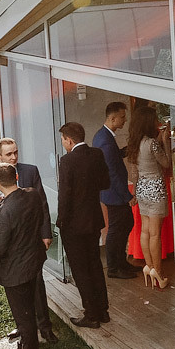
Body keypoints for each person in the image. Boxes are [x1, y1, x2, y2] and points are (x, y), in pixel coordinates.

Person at [0, 137, 56, 345]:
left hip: (31, 240)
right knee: (17, 289)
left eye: (15, 152)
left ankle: (45, 327)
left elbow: (42, 205)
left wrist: (45, 233)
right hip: (8, 240)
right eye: (8, 154)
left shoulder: (30, 171)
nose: (13, 157)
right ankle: (24, 327)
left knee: (37, 285)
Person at [0, 162, 50, 349]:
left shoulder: (5, 212)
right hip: (33, 262)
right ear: (16, 177)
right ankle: (24, 347)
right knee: (28, 312)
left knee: (24, 318)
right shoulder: (32, 194)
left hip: (15, 270)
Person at [54, 120, 111, 327]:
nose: (63, 143)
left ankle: (91, 314)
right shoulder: (97, 155)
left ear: (69, 140)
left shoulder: (68, 161)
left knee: (80, 269)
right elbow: (106, 183)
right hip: (93, 219)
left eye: (63, 139)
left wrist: (60, 221)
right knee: (95, 264)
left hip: (74, 224)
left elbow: (64, 196)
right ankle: (103, 310)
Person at [126, 102, 172, 289]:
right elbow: (166, 163)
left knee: (145, 231)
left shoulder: (134, 144)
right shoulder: (151, 143)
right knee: (155, 235)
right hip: (155, 189)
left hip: (142, 189)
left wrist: (136, 192)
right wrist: (165, 142)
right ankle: (158, 273)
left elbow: (134, 172)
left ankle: (149, 266)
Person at [92, 101, 135, 278]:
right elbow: (113, 173)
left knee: (125, 225)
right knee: (117, 229)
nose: (124, 121)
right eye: (122, 117)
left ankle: (121, 262)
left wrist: (125, 151)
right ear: (112, 118)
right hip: (114, 193)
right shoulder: (106, 141)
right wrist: (127, 196)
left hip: (112, 192)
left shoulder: (103, 136)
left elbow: (113, 159)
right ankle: (114, 268)